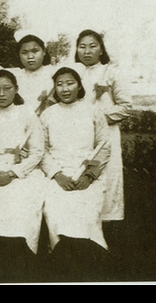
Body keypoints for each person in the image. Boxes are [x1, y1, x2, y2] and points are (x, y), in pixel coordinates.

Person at [40, 66, 111, 282]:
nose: (65, 89)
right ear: (54, 88)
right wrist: (57, 175)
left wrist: (89, 176)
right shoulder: (48, 114)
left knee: (86, 213)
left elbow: (104, 146)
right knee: (55, 211)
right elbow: (41, 150)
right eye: (59, 84)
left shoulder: (92, 110)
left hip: (87, 176)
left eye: (70, 83)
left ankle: (90, 264)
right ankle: (61, 263)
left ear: (79, 86)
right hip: (58, 176)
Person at [0, 69, 46, 283]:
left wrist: (14, 173)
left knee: (22, 202)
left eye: (7, 88)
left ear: (16, 89)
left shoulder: (27, 114)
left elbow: (37, 151)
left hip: (22, 170)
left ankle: (23, 259)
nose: (1, 94)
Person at [74, 29, 131, 227]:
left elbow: (126, 107)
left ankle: (108, 226)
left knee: (108, 176)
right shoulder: (74, 73)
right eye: (82, 47)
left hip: (106, 135)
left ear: (101, 49)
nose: (87, 51)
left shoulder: (111, 72)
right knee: (79, 174)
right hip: (78, 135)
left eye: (93, 46)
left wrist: (99, 120)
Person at [11, 32, 55, 115]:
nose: (30, 56)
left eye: (35, 51)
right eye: (24, 52)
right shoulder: (14, 75)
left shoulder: (53, 73)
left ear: (44, 51)